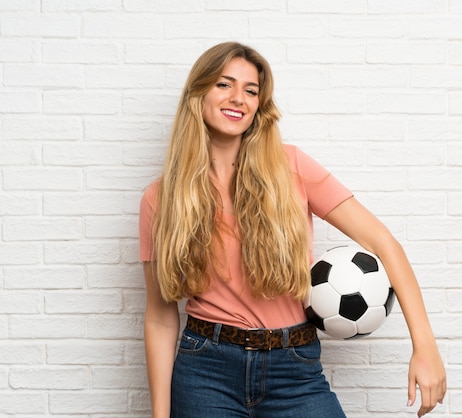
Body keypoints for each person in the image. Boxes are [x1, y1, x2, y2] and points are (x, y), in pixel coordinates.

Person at [139, 41, 446, 418]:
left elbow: (384, 242)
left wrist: (425, 347)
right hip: (205, 370)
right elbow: (159, 314)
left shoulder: (292, 167)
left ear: (259, 106)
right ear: (198, 92)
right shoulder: (160, 197)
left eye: (250, 91)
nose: (238, 98)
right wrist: (160, 414)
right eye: (224, 84)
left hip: (294, 369)